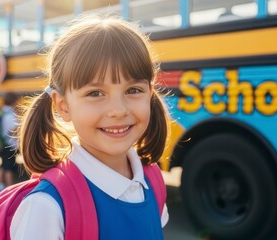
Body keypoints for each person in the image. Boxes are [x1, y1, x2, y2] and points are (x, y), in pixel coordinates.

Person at [10, 15, 170, 239]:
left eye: (133, 90)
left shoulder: (152, 179)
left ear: (150, 94)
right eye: (95, 93)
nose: (118, 110)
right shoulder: (47, 206)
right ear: (63, 106)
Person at [0, 92, 19, 192]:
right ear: (14, 101)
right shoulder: (11, 115)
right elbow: (14, 130)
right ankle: (10, 188)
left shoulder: (1, 112)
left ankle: (0, 184)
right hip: (10, 143)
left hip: (2, 141)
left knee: (2, 164)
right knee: (9, 167)